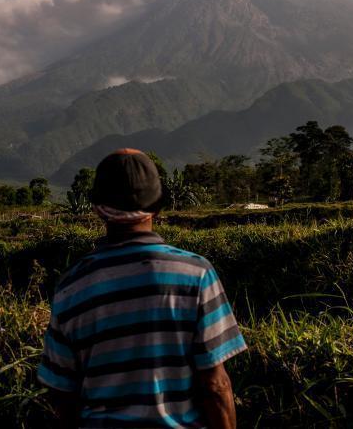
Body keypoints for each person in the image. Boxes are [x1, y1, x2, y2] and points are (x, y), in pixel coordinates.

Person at [39, 149, 246, 428]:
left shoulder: (71, 286)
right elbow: (215, 385)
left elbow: (61, 394)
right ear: (158, 207)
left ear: (98, 209)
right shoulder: (197, 274)